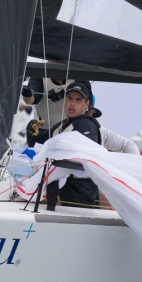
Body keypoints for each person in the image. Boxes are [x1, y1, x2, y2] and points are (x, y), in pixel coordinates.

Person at [25, 82, 100, 210]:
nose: (72, 103)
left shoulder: (86, 125)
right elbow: (37, 141)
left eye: (78, 100)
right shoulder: (63, 125)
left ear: (87, 104)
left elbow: (86, 158)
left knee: (29, 198)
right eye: (69, 98)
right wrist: (31, 129)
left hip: (80, 189)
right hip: (67, 186)